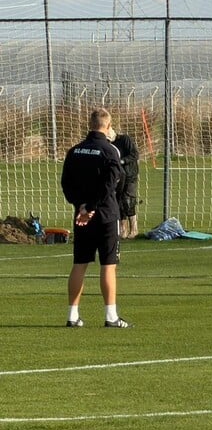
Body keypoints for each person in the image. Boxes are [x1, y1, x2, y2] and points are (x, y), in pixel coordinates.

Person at [60, 107, 130, 328]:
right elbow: (112, 183)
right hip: (106, 215)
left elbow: (66, 183)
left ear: (90, 125)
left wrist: (81, 206)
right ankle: (111, 316)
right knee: (108, 265)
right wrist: (92, 206)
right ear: (108, 126)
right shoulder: (110, 150)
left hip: (82, 216)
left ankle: (72, 316)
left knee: (79, 264)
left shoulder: (74, 151)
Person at [108, 124, 141, 238]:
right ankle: (123, 230)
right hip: (117, 177)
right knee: (119, 201)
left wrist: (122, 161)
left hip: (130, 174)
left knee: (128, 200)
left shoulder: (124, 139)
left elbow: (135, 154)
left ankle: (134, 229)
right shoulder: (107, 144)